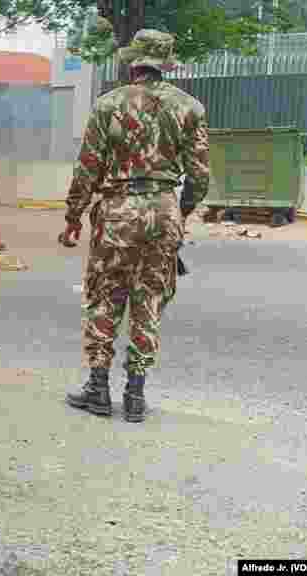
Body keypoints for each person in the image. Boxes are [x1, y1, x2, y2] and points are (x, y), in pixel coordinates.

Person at [59, 29, 210, 423]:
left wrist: (73, 217)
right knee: (150, 300)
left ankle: (97, 388)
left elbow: (86, 169)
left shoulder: (108, 105)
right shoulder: (190, 108)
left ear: (134, 63)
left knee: (105, 296)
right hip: (164, 211)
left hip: (116, 212)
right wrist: (180, 212)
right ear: (167, 64)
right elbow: (200, 178)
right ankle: (135, 394)